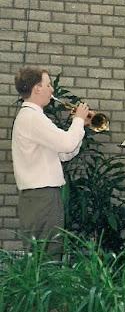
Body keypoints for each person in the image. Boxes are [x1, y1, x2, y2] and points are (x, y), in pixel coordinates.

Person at [11, 66, 89, 257]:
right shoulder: (33, 118)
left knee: (44, 254)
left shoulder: (33, 117)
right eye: (48, 85)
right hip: (42, 197)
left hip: (40, 197)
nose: (52, 90)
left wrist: (80, 126)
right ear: (37, 88)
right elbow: (66, 142)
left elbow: (65, 152)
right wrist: (78, 120)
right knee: (48, 256)